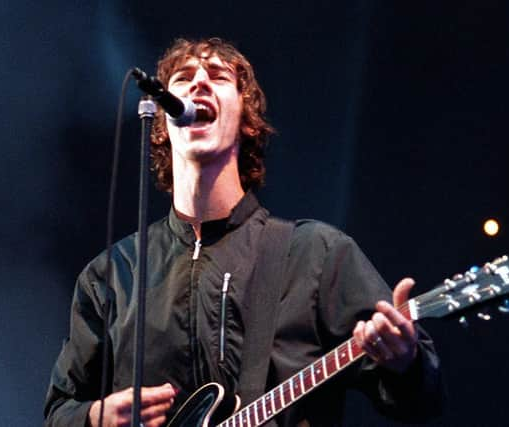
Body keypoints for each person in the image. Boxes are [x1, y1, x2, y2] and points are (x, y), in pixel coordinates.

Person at [44, 37, 444, 427]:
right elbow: (58, 409)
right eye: (183, 78)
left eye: (217, 76)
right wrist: (95, 417)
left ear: (247, 122)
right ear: (163, 125)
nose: (199, 81)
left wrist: (404, 362)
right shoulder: (111, 276)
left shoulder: (316, 255)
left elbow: (420, 402)